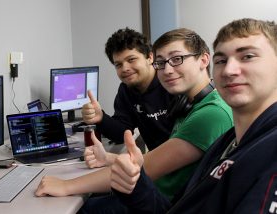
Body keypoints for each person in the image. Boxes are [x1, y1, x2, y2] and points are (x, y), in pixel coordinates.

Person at [35, 28, 233, 213]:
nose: (168, 70)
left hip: (166, 200)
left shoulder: (209, 114)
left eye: (177, 59)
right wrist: (108, 152)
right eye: (162, 63)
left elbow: (150, 166)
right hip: (158, 184)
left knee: (80, 207)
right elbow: (144, 153)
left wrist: (66, 185)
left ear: (204, 59)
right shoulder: (190, 103)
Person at [110, 18, 277, 214]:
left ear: (202, 61)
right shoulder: (227, 143)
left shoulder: (270, 150)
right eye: (221, 60)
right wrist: (136, 183)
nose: (229, 70)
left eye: (247, 56)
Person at [81, 28, 175, 155]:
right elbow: (122, 134)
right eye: (118, 65)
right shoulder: (126, 90)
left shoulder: (171, 82)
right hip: (158, 163)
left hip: (182, 163)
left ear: (150, 57)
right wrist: (101, 118)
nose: (125, 68)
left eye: (131, 60)